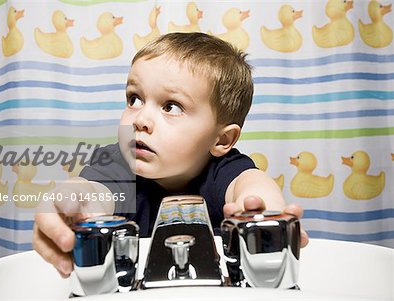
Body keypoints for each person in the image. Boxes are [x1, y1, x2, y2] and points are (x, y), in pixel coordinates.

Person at [33, 32, 309, 278]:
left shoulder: (224, 169)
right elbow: (95, 192)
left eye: (171, 106)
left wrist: (264, 212)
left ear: (222, 139)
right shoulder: (118, 164)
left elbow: (250, 183)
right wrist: (76, 203)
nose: (140, 119)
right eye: (134, 99)